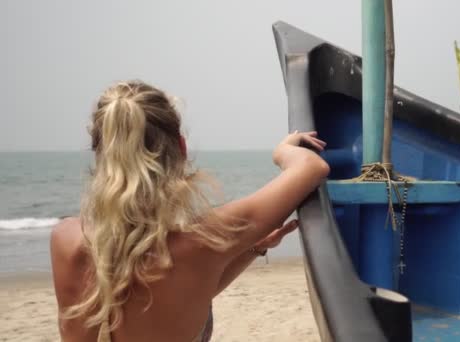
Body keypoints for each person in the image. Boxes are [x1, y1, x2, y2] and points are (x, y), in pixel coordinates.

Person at [50, 81, 329, 342]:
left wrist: (253, 250)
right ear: (181, 148)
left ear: (101, 155)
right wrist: (282, 150)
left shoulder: (65, 239)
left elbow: (170, 295)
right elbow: (311, 168)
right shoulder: (202, 241)